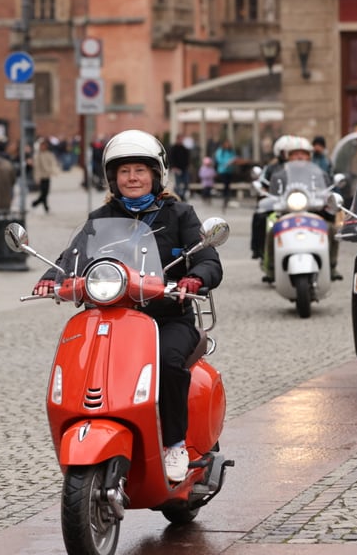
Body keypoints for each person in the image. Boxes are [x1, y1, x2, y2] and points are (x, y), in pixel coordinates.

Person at [32, 129, 223, 483]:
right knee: (82, 360)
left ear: (156, 174)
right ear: (112, 178)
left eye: (140, 170)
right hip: (111, 317)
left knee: (167, 362)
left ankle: (175, 444)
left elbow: (209, 259)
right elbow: (70, 258)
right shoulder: (100, 217)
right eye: (124, 172)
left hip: (167, 318)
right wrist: (52, 278)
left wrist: (193, 278)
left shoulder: (179, 213)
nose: (132, 178)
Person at [32, 138, 59, 213]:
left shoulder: (49, 154)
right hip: (41, 176)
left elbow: (53, 163)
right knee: (44, 192)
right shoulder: (37, 155)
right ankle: (37, 204)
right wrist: (37, 177)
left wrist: (54, 171)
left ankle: (42, 205)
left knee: (45, 192)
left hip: (47, 176)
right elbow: (36, 168)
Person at [213, 139, 239, 210]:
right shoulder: (220, 151)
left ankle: (227, 196)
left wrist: (232, 161)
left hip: (229, 170)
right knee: (225, 183)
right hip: (223, 170)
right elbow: (219, 159)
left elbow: (234, 157)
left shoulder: (231, 151)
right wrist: (227, 162)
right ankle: (225, 196)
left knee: (228, 184)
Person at [169, 134, 191, 201]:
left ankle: (183, 195)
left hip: (184, 169)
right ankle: (178, 196)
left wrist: (187, 166)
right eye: (180, 139)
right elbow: (171, 158)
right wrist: (173, 167)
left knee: (186, 183)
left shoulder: (184, 148)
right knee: (178, 184)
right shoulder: (173, 149)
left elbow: (187, 158)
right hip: (177, 169)